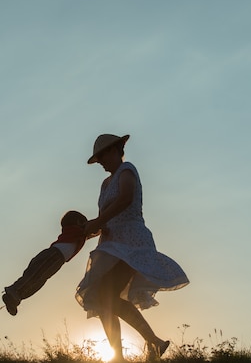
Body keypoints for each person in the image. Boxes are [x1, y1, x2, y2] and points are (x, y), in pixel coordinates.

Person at [76, 134, 189, 362]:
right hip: (111, 246)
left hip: (131, 243)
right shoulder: (105, 184)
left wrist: (98, 223)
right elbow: (105, 218)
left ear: (116, 150)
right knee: (101, 297)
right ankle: (136, 348)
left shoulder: (127, 170)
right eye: (97, 159)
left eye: (102, 156)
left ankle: (144, 345)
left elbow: (126, 199)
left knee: (107, 294)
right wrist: (91, 228)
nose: (100, 162)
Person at [3, 210, 88, 316]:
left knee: (39, 281)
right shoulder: (75, 230)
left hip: (57, 259)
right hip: (54, 255)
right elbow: (94, 227)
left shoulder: (79, 234)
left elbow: (91, 231)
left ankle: (16, 298)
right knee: (35, 275)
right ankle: (13, 291)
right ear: (78, 222)